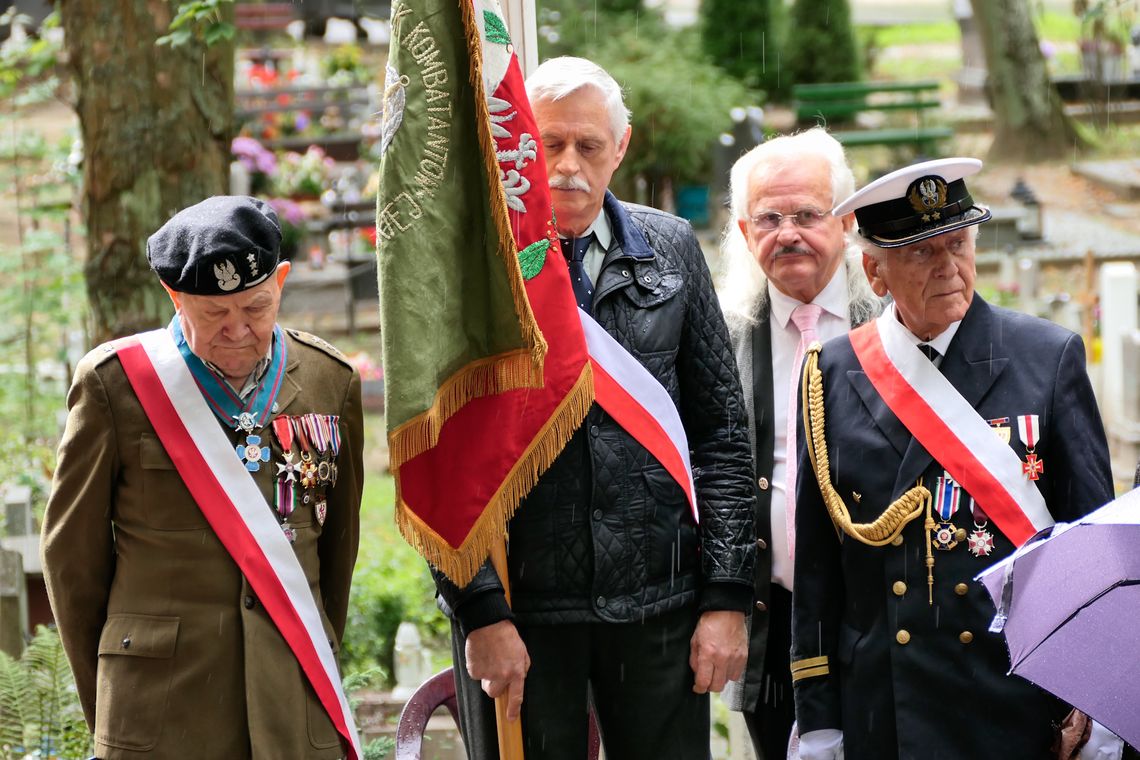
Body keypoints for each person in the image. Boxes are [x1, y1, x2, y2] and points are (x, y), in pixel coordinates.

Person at [433, 56, 756, 760]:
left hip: (660, 604)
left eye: (589, 145)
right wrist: (480, 611)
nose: (568, 165)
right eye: (549, 144)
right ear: (519, 144)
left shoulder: (671, 248)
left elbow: (722, 436)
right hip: (524, 609)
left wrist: (728, 596)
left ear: (623, 147)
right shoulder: (473, 263)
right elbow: (439, 458)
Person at [789, 158, 1117, 760]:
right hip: (885, 708)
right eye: (920, 252)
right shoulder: (829, 376)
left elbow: (1092, 551)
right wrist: (818, 721)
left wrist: (1097, 705)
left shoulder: (1047, 359)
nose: (948, 268)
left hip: (1011, 701)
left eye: (958, 243)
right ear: (875, 270)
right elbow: (817, 574)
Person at [41, 196, 364, 759]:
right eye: (214, 314)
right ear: (174, 297)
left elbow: (338, 552)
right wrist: (114, 695)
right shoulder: (115, 387)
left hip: (294, 706)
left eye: (257, 307)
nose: (238, 330)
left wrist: (313, 653)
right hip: (160, 713)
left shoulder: (328, 380)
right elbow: (72, 565)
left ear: (281, 282)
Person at [717, 128, 883, 760]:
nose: (788, 233)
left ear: (845, 222)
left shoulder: (894, 324)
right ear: (742, 229)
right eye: (769, 218)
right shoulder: (722, 337)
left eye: (808, 214)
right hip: (775, 623)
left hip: (882, 616)